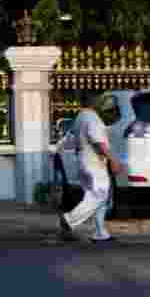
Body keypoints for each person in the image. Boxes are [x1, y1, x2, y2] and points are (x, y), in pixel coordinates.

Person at [57, 90, 120, 243]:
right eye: (100, 99)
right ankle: (70, 219)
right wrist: (112, 160)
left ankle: (100, 232)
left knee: (97, 197)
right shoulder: (92, 118)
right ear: (94, 101)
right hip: (94, 162)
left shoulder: (80, 116)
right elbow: (98, 142)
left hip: (83, 160)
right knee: (100, 194)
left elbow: (71, 140)